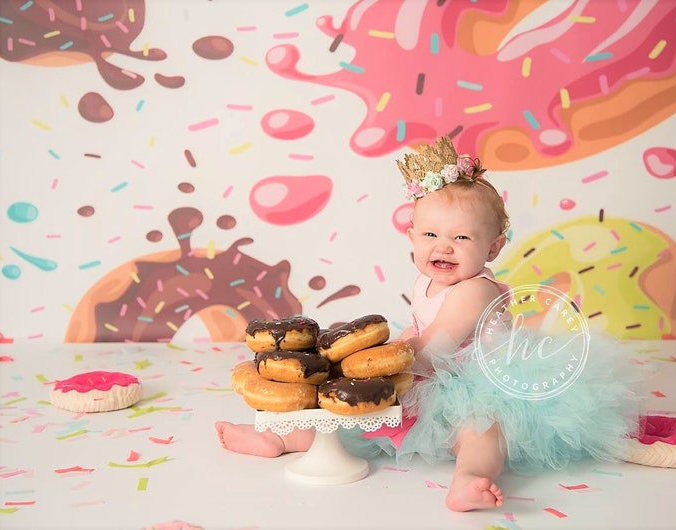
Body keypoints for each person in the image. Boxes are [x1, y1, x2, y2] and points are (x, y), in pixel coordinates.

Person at [216, 136, 644, 512]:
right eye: (431, 236)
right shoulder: (427, 279)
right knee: (356, 420)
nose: (444, 247)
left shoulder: (476, 290)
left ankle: (469, 478)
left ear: (493, 247)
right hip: (427, 375)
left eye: (462, 238)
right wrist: (373, 360)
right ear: (412, 237)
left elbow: (436, 345)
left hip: (479, 381)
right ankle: (282, 438)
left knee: (480, 429)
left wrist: (372, 366)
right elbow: (415, 330)